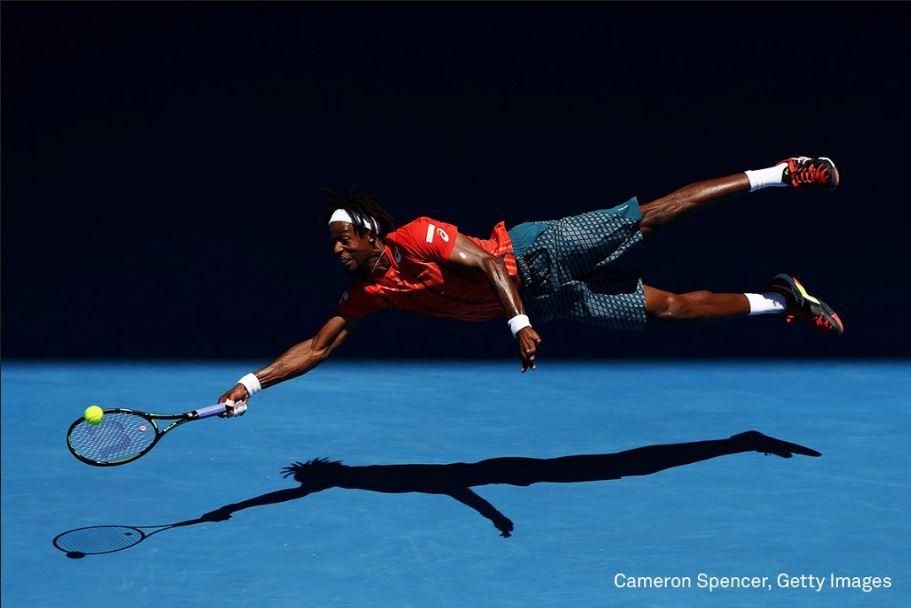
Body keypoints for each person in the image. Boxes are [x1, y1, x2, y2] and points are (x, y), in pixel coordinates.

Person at [218, 157, 842, 415]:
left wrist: (517, 325)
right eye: (332, 245)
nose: (335, 251)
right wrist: (250, 384)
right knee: (670, 310)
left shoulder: (413, 235)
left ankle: (782, 172)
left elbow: (490, 267)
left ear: (370, 235)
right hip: (546, 299)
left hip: (536, 251)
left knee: (648, 217)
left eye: (340, 240)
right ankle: (784, 299)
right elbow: (318, 347)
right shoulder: (368, 294)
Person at [200, 430, 821, 538]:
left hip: (509, 475)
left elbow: (450, 487)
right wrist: (234, 506)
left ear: (325, 476)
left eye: (316, 477)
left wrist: (492, 516)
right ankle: (737, 443)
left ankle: (740, 441)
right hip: (507, 474)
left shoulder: (365, 480)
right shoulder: (353, 481)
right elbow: (291, 492)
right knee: (625, 463)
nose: (315, 481)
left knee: (629, 464)